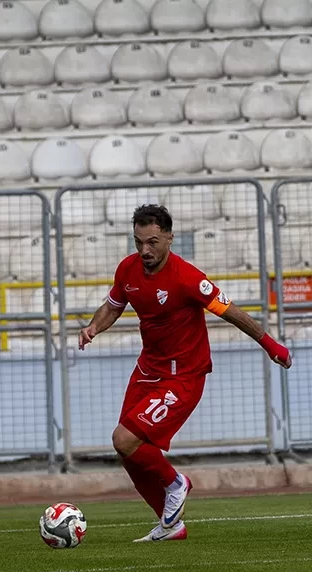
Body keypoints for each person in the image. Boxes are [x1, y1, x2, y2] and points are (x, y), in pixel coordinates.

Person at [79, 205, 292, 542]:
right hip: (147, 370)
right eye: (138, 242)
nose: (145, 250)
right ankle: (170, 526)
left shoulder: (187, 278)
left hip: (183, 376)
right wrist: (94, 327)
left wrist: (270, 344)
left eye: (152, 242)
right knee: (127, 450)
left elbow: (230, 312)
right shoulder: (128, 270)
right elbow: (113, 306)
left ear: (169, 238)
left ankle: (177, 482)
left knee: (125, 438)